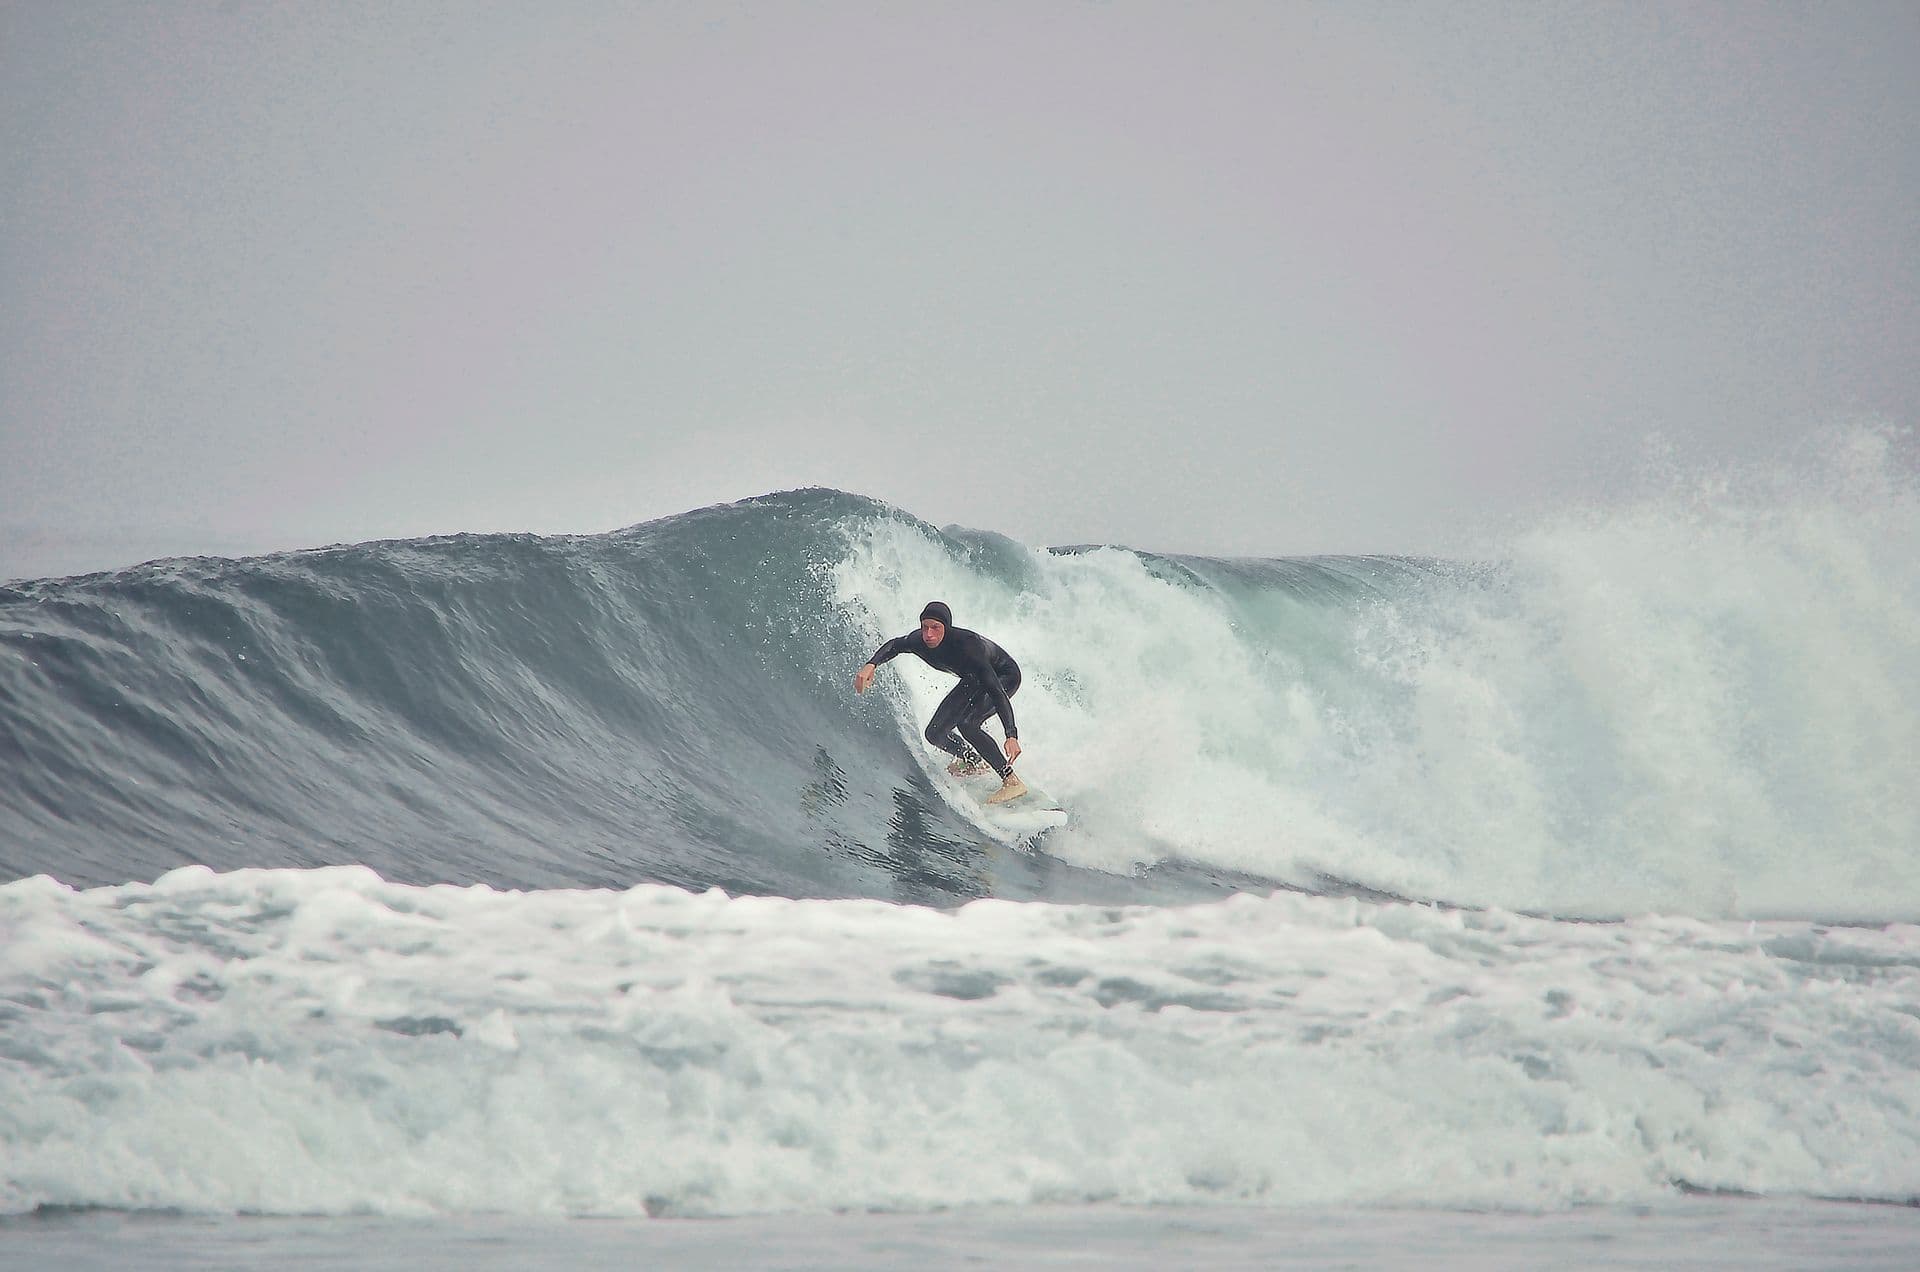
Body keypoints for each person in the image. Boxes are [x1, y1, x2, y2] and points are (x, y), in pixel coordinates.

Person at [854, 601, 1028, 804]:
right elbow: (895, 645)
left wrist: (1011, 734)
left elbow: (997, 692)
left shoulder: (969, 646)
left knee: (968, 724)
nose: (929, 634)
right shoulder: (918, 641)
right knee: (934, 733)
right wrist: (871, 664)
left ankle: (1011, 780)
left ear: (947, 628)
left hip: (1004, 676)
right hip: (973, 679)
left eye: (935, 628)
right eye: (925, 627)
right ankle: (973, 761)